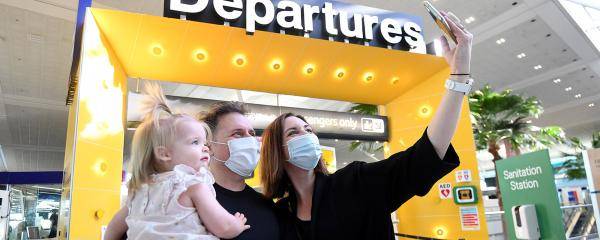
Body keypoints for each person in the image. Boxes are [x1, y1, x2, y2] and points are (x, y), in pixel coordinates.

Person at [259, 11, 473, 240]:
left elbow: (424, 157)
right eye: (293, 132)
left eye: (309, 130)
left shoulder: (354, 183)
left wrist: (459, 78)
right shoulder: (280, 213)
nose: (307, 135)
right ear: (277, 151)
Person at [104, 84, 250, 239]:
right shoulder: (195, 188)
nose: (205, 148)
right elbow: (224, 227)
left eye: (204, 143)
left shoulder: (140, 193)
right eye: (195, 142)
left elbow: (113, 228)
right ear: (164, 153)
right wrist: (237, 224)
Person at [198, 102, 281, 240]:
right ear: (209, 146)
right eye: (238, 134)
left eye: (252, 133)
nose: (250, 139)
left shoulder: (266, 204)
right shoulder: (192, 201)